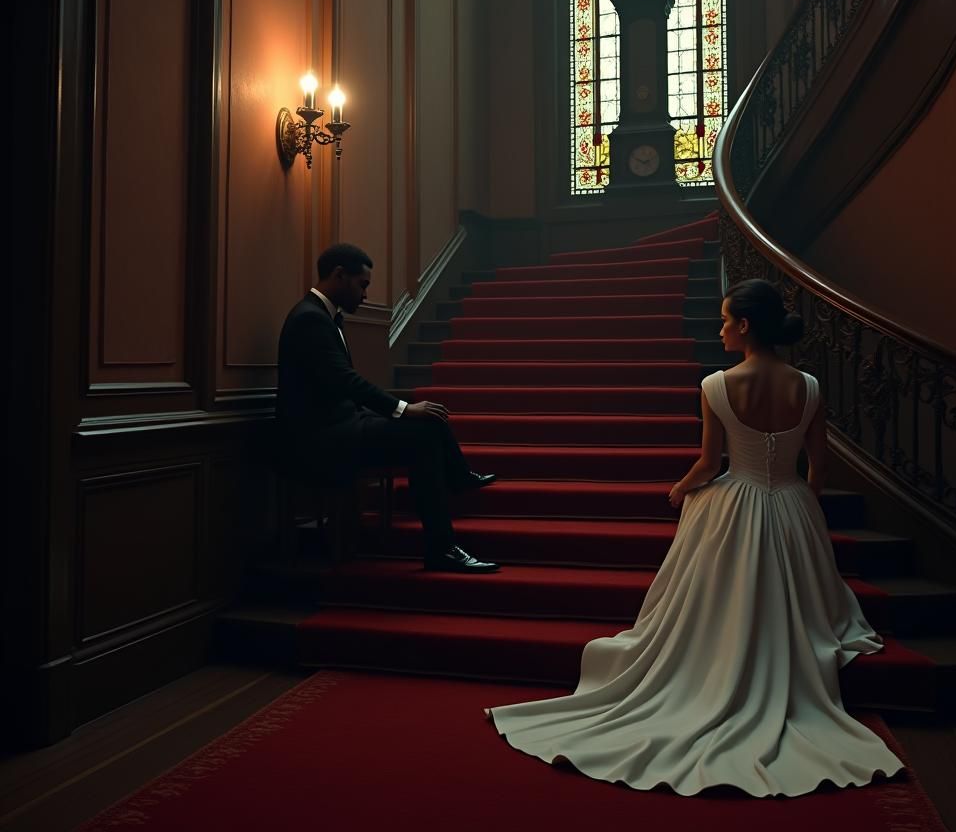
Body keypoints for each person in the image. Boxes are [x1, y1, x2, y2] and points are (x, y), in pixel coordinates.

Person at [485, 278, 903, 796]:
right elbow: (818, 464)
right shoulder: (809, 386)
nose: (721, 328)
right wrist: (803, 508)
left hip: (737, 501)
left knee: (714, 588)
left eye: (726, 319)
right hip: (792, 501)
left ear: (745, 325)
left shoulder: (717, 385)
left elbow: (709, 464)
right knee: (794, 591)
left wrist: (680, 490)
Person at [276, 243, 500, 574]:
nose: (365, 294)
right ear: (339, 276)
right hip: (320, 439)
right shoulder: (310, 319)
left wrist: (402, 410)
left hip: (339, 426)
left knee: (429, 418)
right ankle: (442, 546)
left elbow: (339, 385)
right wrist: (403, 409)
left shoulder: (321, 316)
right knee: (422, 430)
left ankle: (457, 483)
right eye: (362, 284)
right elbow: (345, 381)